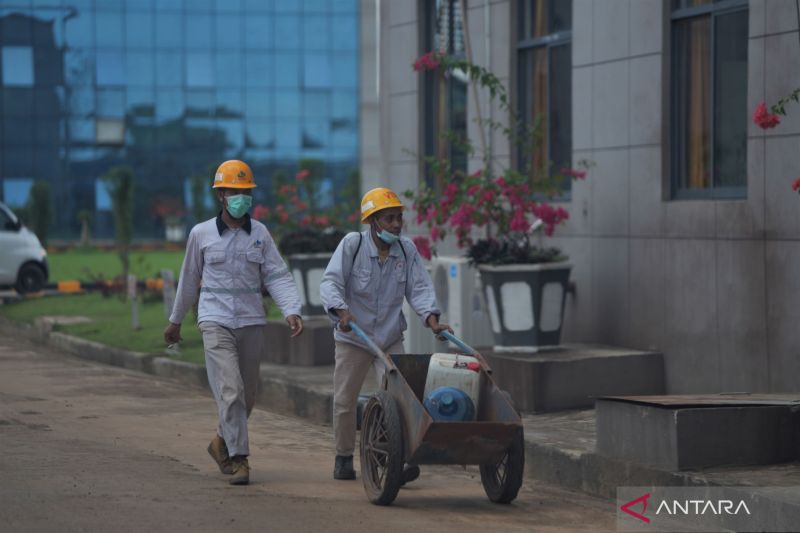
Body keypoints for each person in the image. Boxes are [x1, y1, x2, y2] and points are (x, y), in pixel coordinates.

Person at [164, 159, 304, 486]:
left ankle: (220, 442)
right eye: (234, 191)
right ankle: (240, 459)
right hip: (214, 319)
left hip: (252, 320)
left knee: (248, 395)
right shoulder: (201, 234)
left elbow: (278, 276)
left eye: (245, 191)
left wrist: (291, 310)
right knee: (231, 389)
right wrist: (175, 321)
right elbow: (188, 280)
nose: (240, 197)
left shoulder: (261, 235)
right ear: (221, 195)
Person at [319, 187, 452, 481]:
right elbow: (330, 283)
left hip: (390, 337)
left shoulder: (406, 250)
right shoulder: (352, 246)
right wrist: (341, 312)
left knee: (401, 398)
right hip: (354, 337)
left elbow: (419, 287)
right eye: (389, 218)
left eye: (398, 218)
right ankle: (343, 457)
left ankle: (395, 458)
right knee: (344, 400)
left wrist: (432, 320)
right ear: (373, 221)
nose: (396, 224)